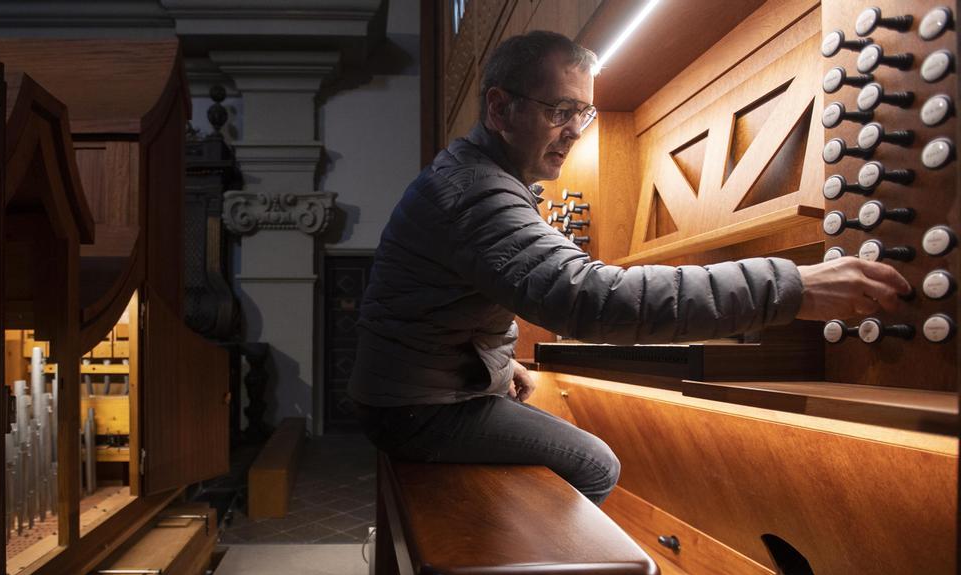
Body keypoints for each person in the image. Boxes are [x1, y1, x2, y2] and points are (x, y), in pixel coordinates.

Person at [347, 31, 911, 505]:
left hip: (413, 390)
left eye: (584, 113)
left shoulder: (477, 174)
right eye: (560, 111)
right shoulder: (477, 193)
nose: (574, 130)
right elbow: (592, 300)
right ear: (500, 108)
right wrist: (791, 285)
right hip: (416, 411)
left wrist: (496, 367)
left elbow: (448, 301)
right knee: (595, 464)